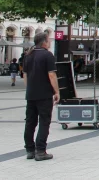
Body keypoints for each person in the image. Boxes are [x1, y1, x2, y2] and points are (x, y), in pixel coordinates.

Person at [22, 32, 58, 161]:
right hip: (44, 94)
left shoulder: (28, 55)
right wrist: (57, 92)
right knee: (44, 121)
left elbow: (25, 74)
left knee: (30, 122)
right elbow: (52, 75)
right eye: (49, 40)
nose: (49, 43)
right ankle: (40, 151)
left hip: (31, 94)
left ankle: (30, 150)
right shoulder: (47, 55)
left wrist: (29, 88)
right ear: (44, 42)